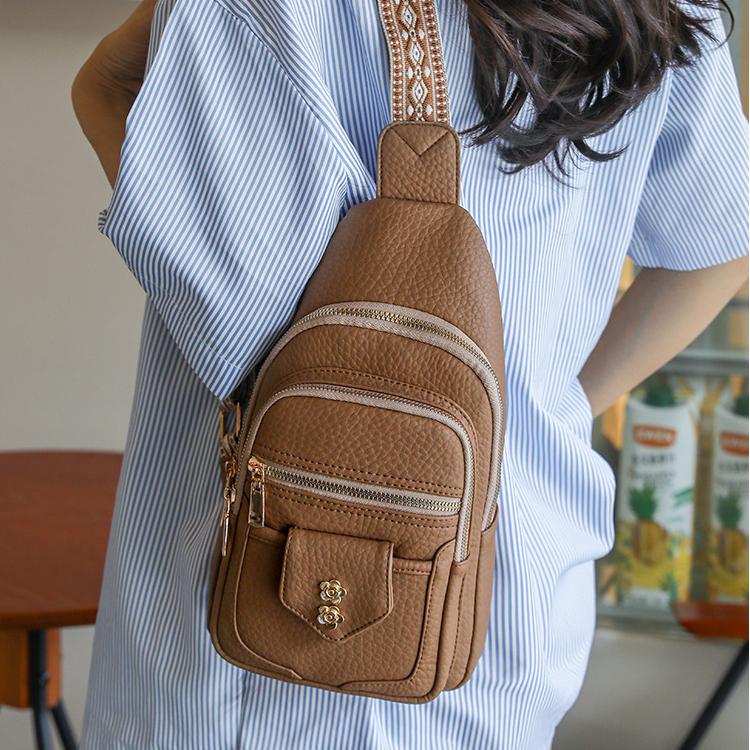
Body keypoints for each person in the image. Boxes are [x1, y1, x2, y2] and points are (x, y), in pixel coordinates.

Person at [71, 0, 748, 747]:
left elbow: (266, 349)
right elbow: (719, 246)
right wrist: (548, 410)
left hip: (267, 645)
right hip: (512, 604)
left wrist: (101, 95)